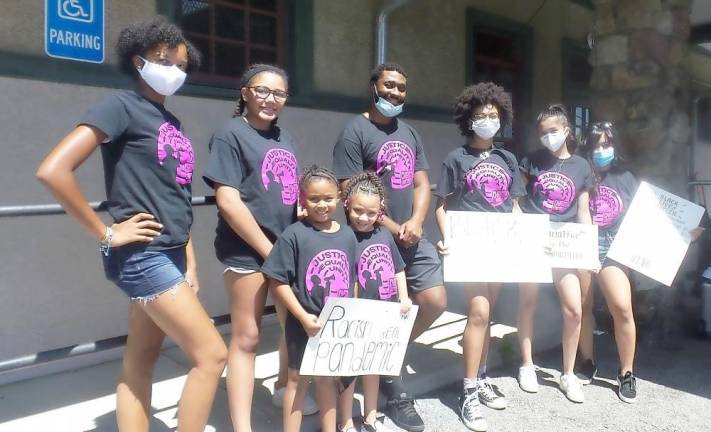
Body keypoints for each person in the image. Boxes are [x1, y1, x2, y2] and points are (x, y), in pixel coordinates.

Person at [36, 17, 227, 432]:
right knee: (212, 355)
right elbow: (54, 170)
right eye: (163, 61)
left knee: (140, 360)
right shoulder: (120, 106)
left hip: (172, 253)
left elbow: (176, 197)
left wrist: (190, 262)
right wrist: (106, 232)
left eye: (181, 65)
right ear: (138, 61)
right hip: (144, 257)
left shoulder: (169, 122)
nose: (174, 71)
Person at [332, 63, 447, 432]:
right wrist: (395, 227)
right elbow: (351, 194)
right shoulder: (354, 131)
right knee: (372, 314)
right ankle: (392, 386)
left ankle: (384, 358)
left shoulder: (409, 132)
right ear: (373, 87)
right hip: (372, 240)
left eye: (401, 88)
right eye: (389, 86)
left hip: (411, 235)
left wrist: (415, 222)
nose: (395, 93)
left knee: (434, 301)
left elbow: (421, 184)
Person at [202, 63, 317, 431]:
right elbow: (229, 200)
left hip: (287, 249)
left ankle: (285, 388)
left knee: (293, 327)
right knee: (247, 337)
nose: (271, 99)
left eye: (279, 93)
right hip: (248, 252)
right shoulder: (230, 134)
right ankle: (242, 425)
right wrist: (270, 251)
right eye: (263, 91)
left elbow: (286, 189)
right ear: (245, 92)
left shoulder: (286, 137)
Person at [434, 83, 524, 431]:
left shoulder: (507, 159)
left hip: (500, 248)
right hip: (471, 248)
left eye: (493, 114)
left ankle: (482, 376)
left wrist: (526, 239)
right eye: (480, 114)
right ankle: (467, 390)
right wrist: (448, 239)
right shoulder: (456, 159)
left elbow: (514, 205)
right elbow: (441, 206)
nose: (487, 119)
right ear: (467, 119)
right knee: (479, 311)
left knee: (490, 314)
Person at [262, 165, 358, 432]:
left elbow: (352, 280)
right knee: (297, 381)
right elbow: (277, 280)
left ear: (339, 197)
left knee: (328, 379)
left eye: (328, 198)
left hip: (335, 323)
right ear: (302, 200)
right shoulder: (294, 234)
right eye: (314, 199)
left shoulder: (348, 235)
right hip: (303, 322)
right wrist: (303, 317)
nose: (322, 205)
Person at [517, 104, 594, 403]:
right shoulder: (532, 160)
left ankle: (568, 373)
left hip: (566, 244)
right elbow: (518, 197)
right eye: (543, 132)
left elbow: (584, 212)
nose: (548, 137)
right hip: (534, 240)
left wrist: (588, 252)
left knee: (574, 309)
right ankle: (526, 364)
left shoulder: (581, 166)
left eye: (553, 130)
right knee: (528, 302)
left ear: (566, 130)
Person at [337, 172, 413, 432]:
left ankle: (371, 417)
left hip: (384, 312)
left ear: (380, 211)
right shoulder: (343, 238)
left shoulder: (384, 236)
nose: (363, 217)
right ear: (347, 205)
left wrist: (403, 296)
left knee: (373, 367)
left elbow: (398, 268)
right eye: (358, 210)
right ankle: (346, 421)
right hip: (357, 316)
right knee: (348, 371)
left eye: (370, 213)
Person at [575, 121, 639, 402]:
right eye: (597, 144)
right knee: (583, 306)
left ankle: (626, 372)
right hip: (583, 244)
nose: (602, 150)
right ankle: (586, 360)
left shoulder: (626, 176)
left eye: (607, 144)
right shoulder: (581, 173)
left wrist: (684, 233)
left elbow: (646, 218)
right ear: (588, 147)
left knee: (622, 309)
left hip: (614, 248)